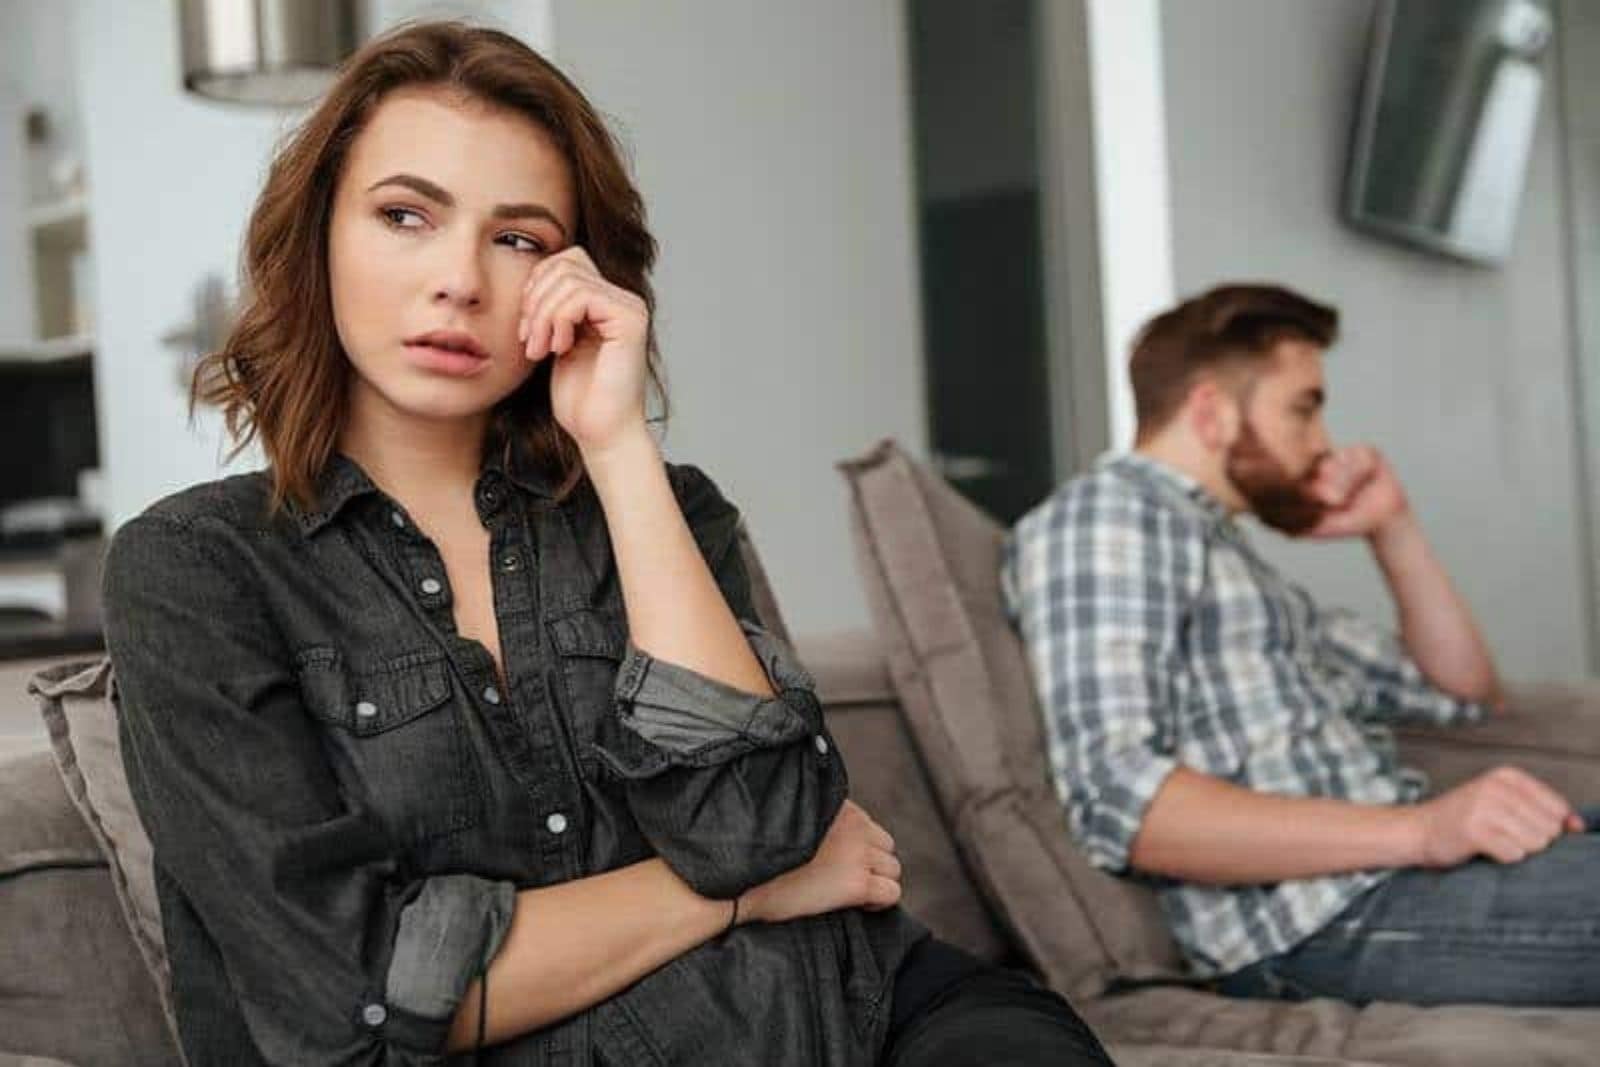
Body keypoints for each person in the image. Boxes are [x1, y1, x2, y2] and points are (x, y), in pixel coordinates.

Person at [100, 19, 1114, 1066]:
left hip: (859, 1010)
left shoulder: (668, 508)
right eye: (406, 215)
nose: (460, 280)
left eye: (518, 238)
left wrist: (619, 443)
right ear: (317, 237)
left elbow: (756, 822)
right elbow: (348, 993)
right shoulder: (195, 570)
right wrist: (735, 894)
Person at [1001, 282, 1600, 1008]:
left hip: (1397, 879)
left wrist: (1393, 527)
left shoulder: (1238, 566)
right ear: (1211, 411)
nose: (1321, 442)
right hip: (1323, 918)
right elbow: (1123, 803)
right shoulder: (1107, 521)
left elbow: (1464, 694)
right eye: (1303, 407)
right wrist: (1421, 830)